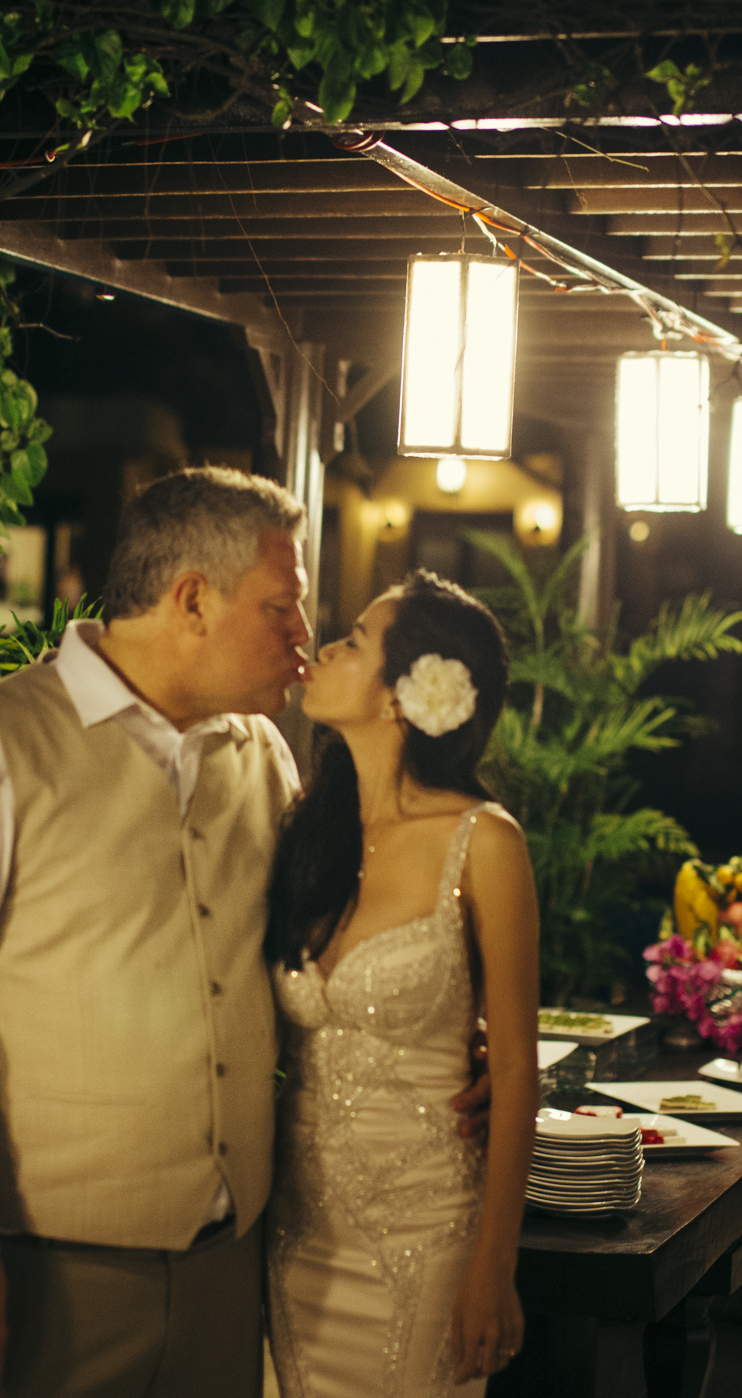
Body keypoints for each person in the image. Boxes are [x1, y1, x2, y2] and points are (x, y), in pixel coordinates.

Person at [0, 467, 488, 1398]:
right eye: (281, 607)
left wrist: (447, 1041)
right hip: (39, 1276)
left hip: (229, 1273)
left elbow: (325, 952)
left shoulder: (261, 756)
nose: (303, 636)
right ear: (191, 601)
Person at [263, 571, 540, 1398]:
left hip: (426, 1233)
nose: (324, 648)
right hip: (298, 1234)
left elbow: (517, 1068)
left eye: (353, 641)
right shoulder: (307, 829)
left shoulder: (484, 842)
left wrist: (495, 1266)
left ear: (403, 693)